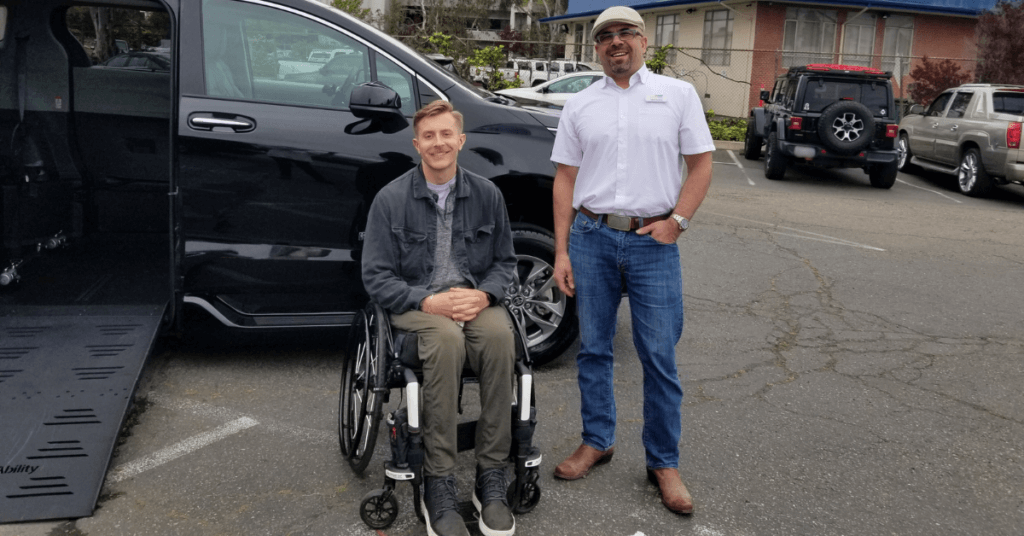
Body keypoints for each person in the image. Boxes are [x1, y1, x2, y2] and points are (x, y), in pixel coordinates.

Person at [549, 6, 715, 516]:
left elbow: (702, 164)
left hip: (653, 243)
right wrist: (560, 250)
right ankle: (597, 441)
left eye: (625, 34)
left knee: (659, 356)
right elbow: (565, 179)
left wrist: (678, 221)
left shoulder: (678, 96)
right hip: (592, 237)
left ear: (644, 42)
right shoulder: (580, 105)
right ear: (596, 49)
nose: (615, 42)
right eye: (605, 37)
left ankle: (663, 461)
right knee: (594, 348)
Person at [361, 100, 518, 536]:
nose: (438, 143)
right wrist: (427, 302)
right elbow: (375, 277)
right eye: (429, 136)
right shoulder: (390, 199)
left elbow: (505, 262)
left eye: (446, 134)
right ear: (417, 145)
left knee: (501, 338)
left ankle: (491, 476)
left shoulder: (487, 194)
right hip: (417, 306)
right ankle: (440, 480)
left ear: (461, 141)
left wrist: (485, 295)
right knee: (446, 339)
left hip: (472, 301)